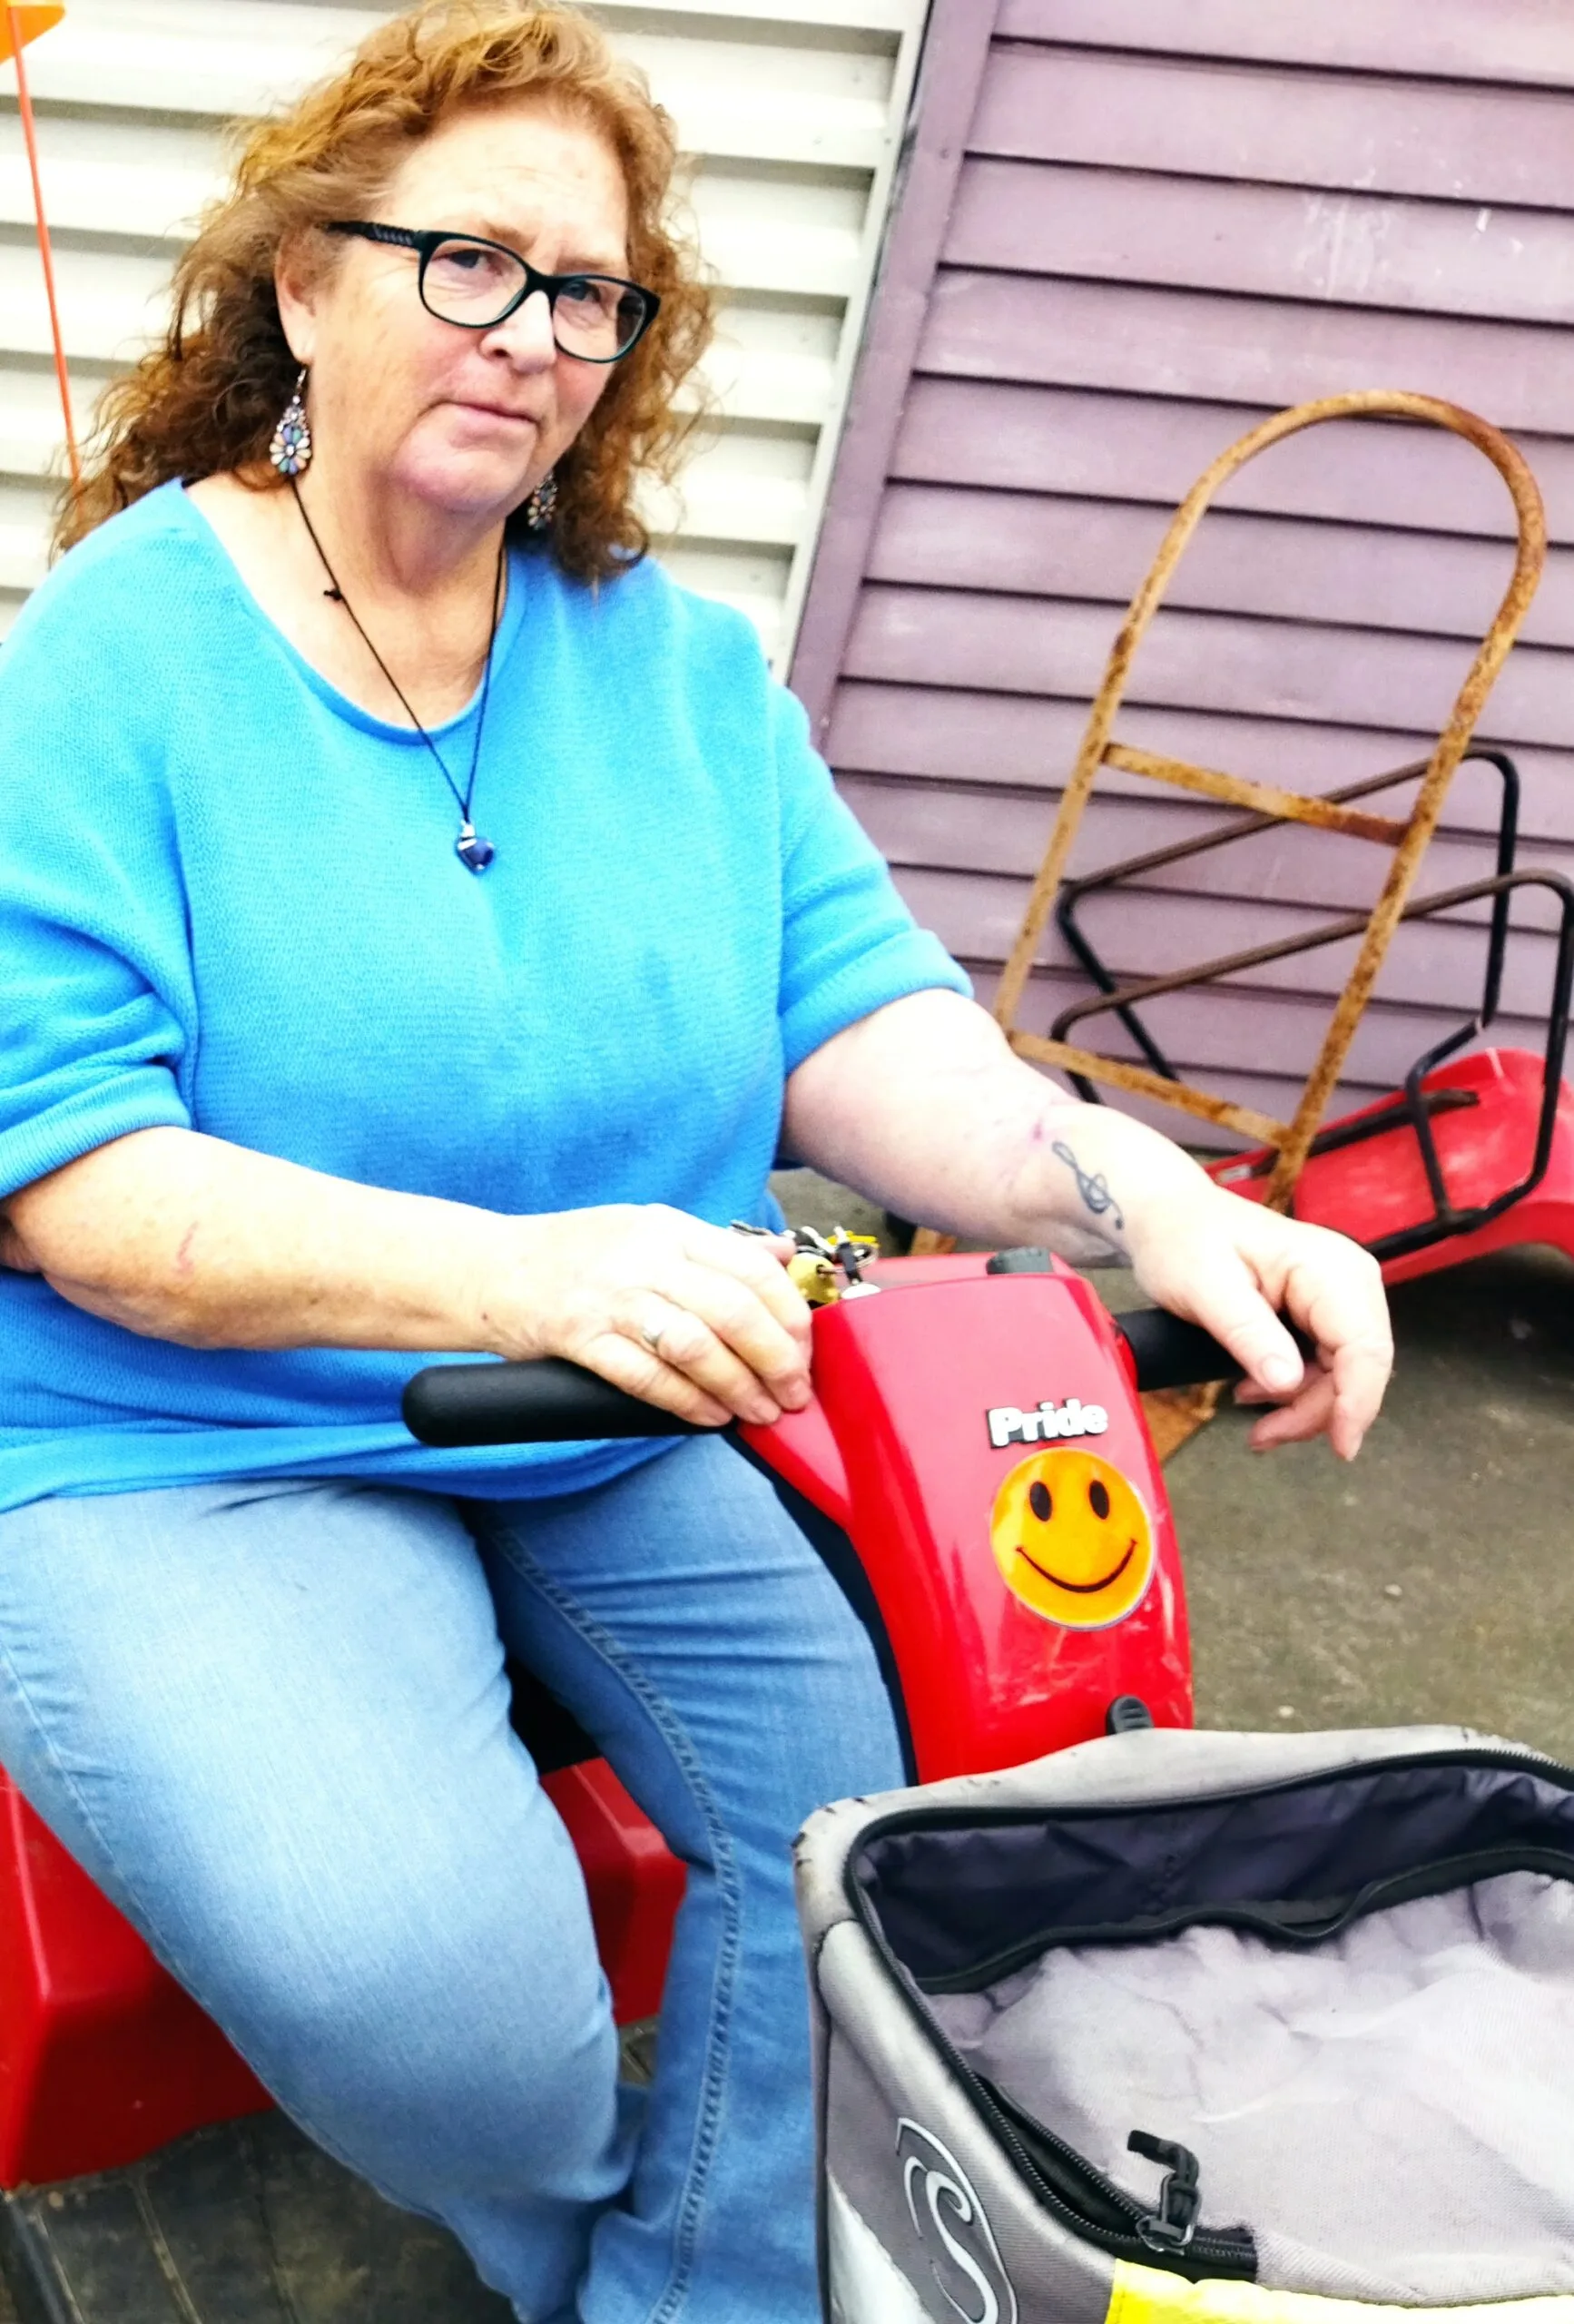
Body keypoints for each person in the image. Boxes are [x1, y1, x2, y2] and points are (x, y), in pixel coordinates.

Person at [0, 4, 1392, 2318]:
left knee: (863, 1853)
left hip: (616, 1409)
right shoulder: (109, 661)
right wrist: (528, 1276)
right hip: (191, 1444)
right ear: (299, 283)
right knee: (442, 2008)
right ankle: (592, 2218)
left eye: (586, 290)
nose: (531, 332)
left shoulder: (676, 669)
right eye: (466, 260)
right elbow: (81, 1189)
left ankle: (691, 2293)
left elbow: (862, 1038)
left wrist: (1157, 1192)